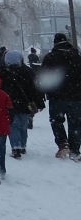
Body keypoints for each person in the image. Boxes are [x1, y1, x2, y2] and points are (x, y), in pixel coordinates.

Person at [39, 32, 81, 160]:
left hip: (56, 96)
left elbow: (44, 77)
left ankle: (63, 143)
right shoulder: (77, 56)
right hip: (76, 96)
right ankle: (75, 149)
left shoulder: (50, 57)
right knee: (75, 123)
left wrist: (43, 93)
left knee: (56, 121)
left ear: (55, 42)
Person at [0, 50, 45, 158]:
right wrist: (39, 102)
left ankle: (16, 147)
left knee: (13, 125)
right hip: (26, 102)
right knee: (23, 125)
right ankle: (23, 145)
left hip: (9, 103)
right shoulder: (27, 71)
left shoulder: (2, 71)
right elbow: (34, 88)